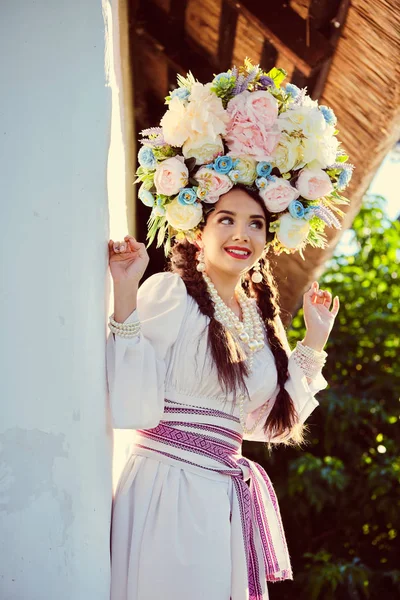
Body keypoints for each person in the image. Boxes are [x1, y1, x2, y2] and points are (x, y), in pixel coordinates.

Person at [106, 61, 350, 599]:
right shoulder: (170, 293)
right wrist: (125, 292)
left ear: (271, 237)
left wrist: (313, 339)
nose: (242, 234)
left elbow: (272, 426)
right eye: (226, 219)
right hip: (166, 492)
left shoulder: (262, 323)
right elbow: (129, 402)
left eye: (256, 223)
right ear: (199, 230)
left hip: (222, 501)